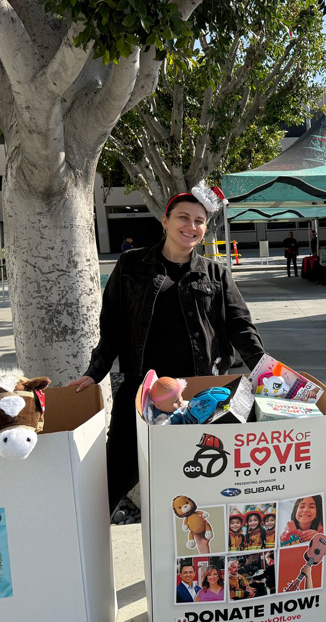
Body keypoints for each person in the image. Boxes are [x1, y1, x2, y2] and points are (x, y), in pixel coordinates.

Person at [70, 188, 265, 515]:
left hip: (201, 396)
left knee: (202, 476)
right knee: (115, 476)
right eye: (183, 218)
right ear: (165, 221)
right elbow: (112, 327)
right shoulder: (131, 265)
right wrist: (95, 372)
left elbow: (241, 328)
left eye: (199, 221)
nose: (191, 226)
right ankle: (86, 538)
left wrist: (269, 372)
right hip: (142, 393)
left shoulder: (216, 274)